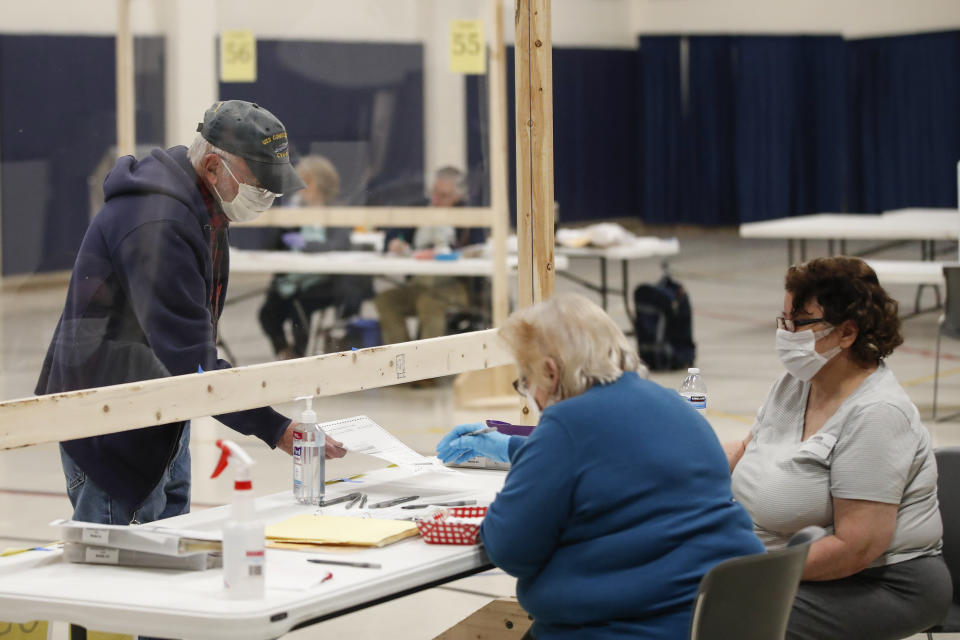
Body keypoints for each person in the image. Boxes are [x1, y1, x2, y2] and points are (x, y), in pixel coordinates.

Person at [36, 100, 346, 526]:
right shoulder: (157, 223)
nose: (268, 197)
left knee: (171, 550)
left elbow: (190, 350)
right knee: (120, 568)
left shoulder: (203, 205)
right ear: (215, 167)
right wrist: (275, 428)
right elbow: (190, 357)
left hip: (163, 406)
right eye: (260, 183)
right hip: (109, 423)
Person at [435, 293, 764, 639]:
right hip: (715, 620)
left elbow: (510, 549)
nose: (530, 393)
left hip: (625, 629)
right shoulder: (673, 404)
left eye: (525, 381)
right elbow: (619, 462)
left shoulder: (566, 423)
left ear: (550, 371)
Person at [726, 256, 950, 640]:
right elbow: (750, 446)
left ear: (847, 333)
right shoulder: (797, 382)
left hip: (879, 580)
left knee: (729, 620)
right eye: (784, 321)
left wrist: (746, 568)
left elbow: (855, 547)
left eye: (799, 323)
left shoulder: (877, 414)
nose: (786, 333)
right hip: (787, 562)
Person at [258, 154, 373, 359]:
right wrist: (285, 226)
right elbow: (273, 245)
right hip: (291, 278)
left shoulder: (336, 212)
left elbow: (337, 246)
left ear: (320, 185)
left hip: (323, 281)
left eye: (306, 182)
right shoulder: (295, 210)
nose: (301, 188)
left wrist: (306, 244)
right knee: (268, 312)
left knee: (299, 309)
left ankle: (302, 355)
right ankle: (285, 353)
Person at [374, 167, 482, 347]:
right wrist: (394, 243)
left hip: (454, 286)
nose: (436, 200)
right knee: (386, 301)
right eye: (434, 193)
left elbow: (477, 249)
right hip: (419, 282)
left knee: (428, 303)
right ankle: (402, 363)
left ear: (458, 197)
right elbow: (391, 235)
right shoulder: (421, 208)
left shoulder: (470, 216)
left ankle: (427, 371)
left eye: (443, 196)